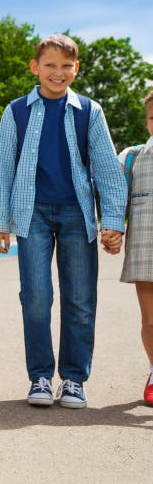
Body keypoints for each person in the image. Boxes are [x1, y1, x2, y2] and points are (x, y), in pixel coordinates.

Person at [0, 34, 127, 409]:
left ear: (76, 69)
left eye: (66, 66)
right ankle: (41, 378)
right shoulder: (16, 110)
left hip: (76, 213)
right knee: (36, 297)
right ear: (35, 68)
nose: (58, 72)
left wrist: (113, 219)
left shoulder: (89, 111)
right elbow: (2, 167)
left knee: (80, 298)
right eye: (49, 65)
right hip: (32, 213)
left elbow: (108, 168)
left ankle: (75, 379)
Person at [117, 89, 153, 405]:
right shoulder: (133, 156)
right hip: (146, 248)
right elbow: (115, 196)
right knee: (151, 320)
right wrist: (112, 228)